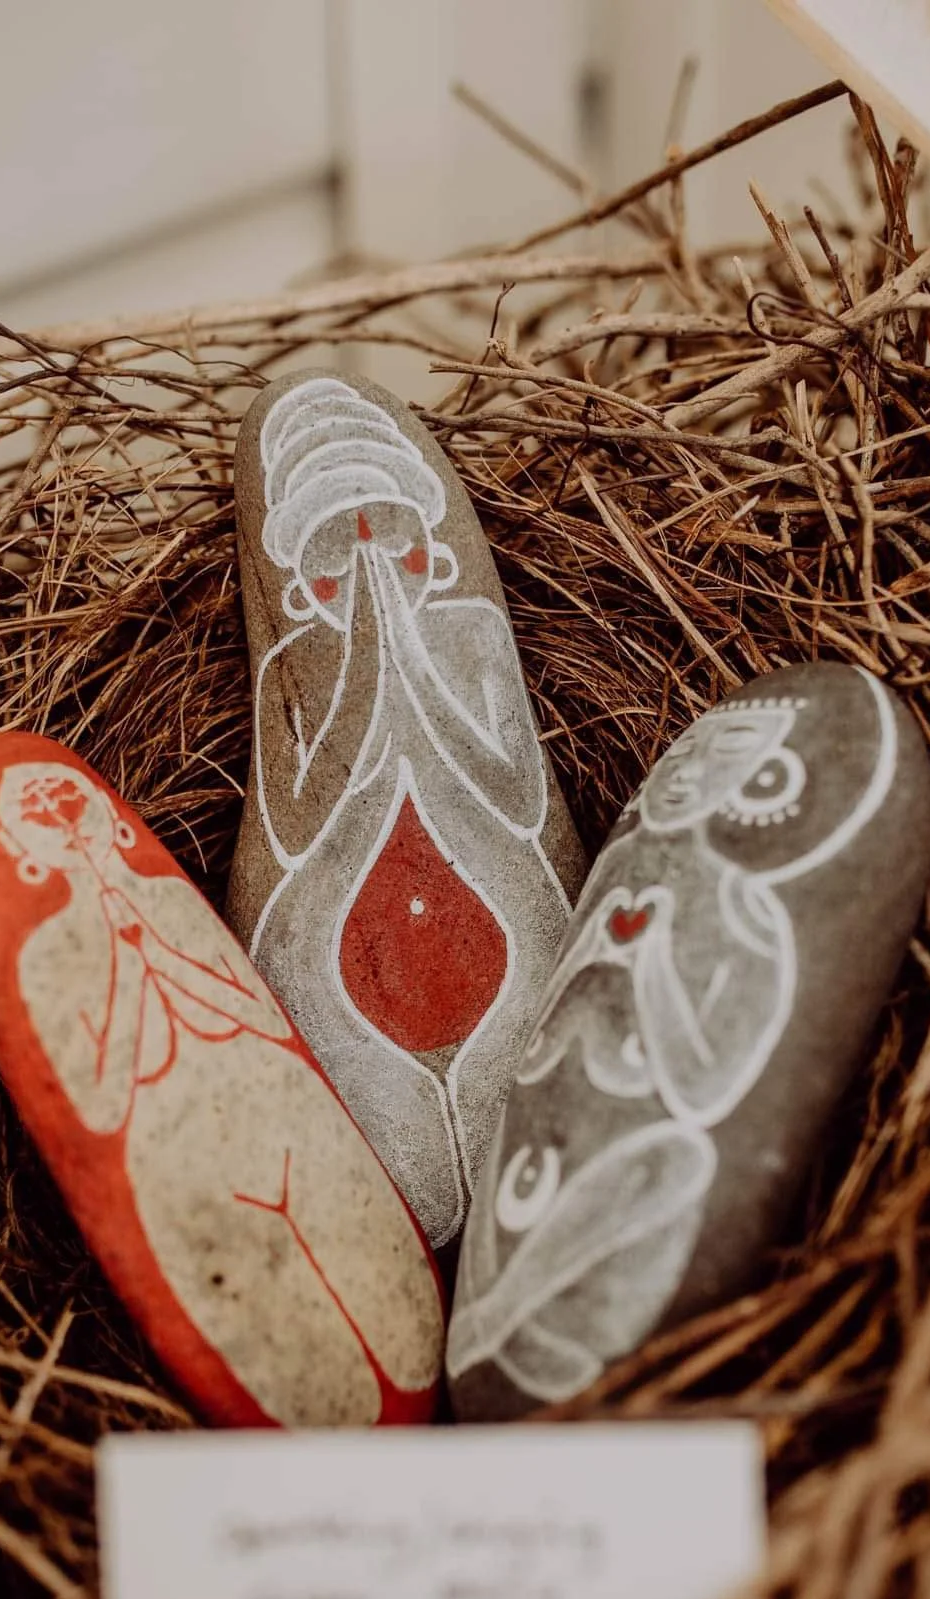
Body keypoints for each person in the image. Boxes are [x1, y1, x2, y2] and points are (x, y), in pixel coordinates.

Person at [448, 669, 898, 1404]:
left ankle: (510, 1318)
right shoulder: (627, 871)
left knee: (676, 1162)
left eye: (730, 762)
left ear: (765, 786)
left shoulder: (748, 914)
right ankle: (496, 1321)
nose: (689, 774)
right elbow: (545, 1036)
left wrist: (653, 963)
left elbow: (706, 1082)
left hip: (634, 1158)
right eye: (692, 757)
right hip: (549, 1130)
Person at [0, 760, 441, 1426]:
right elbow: (99, 1108)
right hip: (177, 1153)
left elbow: (264, 1016)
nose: (66, 820)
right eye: (41, 817)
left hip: (278, 1107)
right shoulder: (46, 954)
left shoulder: (170, 902)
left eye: (67, 801)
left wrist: (170, 960)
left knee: (372, 1286)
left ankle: (402, 1383)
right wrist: (127, 982)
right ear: (25, 850)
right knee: (291, 1338)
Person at [246, 376, 572, 1247]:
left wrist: (416, 674)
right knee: (395, 1154)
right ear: (303, 588)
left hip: (497, 895)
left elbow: (517, 796)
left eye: (397, 549)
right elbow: (296, 825)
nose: (374, 572)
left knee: (526, 1077)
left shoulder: (468, 633)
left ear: (430, 547)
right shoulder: (295, 673)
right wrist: (360, 670)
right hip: (338, 941)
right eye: (335, 567)